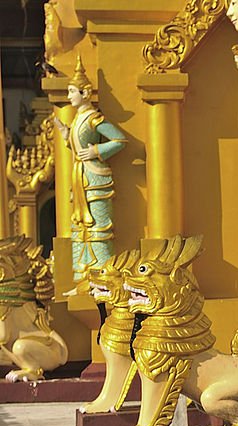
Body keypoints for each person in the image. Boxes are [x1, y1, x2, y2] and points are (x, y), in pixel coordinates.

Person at [54, 56, 126, 282]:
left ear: (85, 94)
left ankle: (103, 278)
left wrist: (96, 151)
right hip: (80, 178)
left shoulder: (94, 118)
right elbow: (76, 145)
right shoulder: (77, 120)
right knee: (80, 229)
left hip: (97, 179)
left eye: (72, 91)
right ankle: (83, 277)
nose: (68, 96)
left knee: (99, 230)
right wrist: (67, 136)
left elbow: (119, 140)